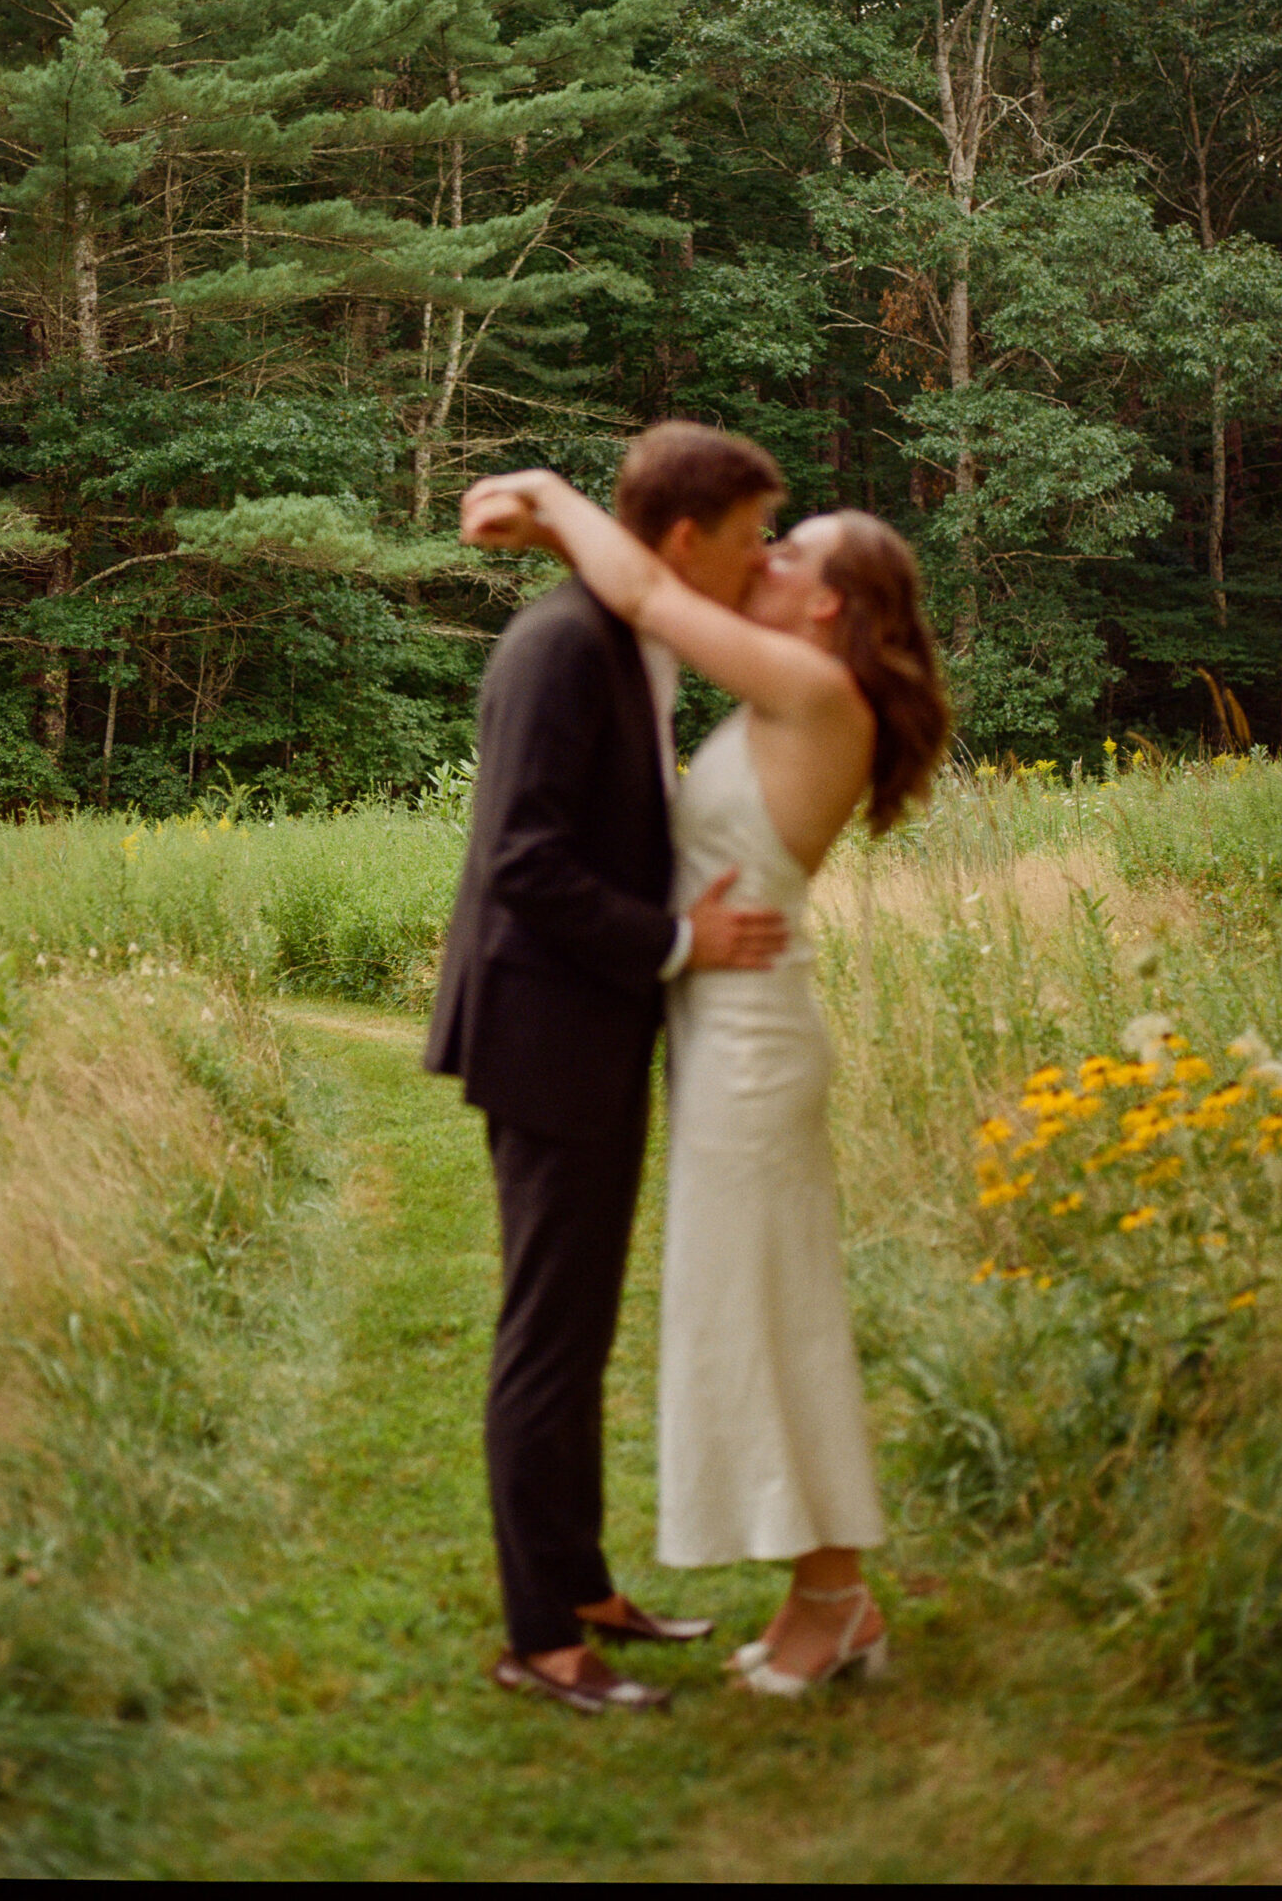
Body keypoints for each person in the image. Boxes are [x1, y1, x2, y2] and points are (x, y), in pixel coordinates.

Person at [460, 461, 948, 1696]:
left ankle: (832, 1601)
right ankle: (824, 1596)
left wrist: (550, 501)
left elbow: (644, 584)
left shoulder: (810, 684)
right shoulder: (782, 692)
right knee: (762, 1321)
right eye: (760, 538)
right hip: (718, 1034)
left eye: (794, 552)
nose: (769, 555)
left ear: (832, 605)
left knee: (772, 1327)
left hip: (749, 1047)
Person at [425, 422, 794, 1715]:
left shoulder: (633, 634)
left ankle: (581, 1589)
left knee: (577, 1331)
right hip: (542, 1032)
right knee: (545, 1336)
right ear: (683, 537)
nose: (761, 560)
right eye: (751, 535)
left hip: (588, 1027)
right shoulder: (560, 645)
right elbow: (520, 859)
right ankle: (541, 1639)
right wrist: (683, 942)